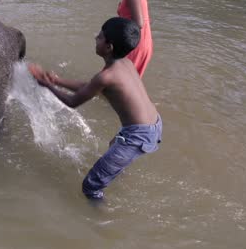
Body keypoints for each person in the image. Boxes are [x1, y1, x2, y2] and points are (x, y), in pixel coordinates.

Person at [29, 17, 162, 200]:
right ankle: (116, 170)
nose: (95, 38)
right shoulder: (126, 64)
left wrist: (47, 85)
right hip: (153, 122)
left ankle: (100, 221)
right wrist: (57, 81)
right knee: (113, 146)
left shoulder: (106, 76)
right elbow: (90, 86)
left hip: (137, 136)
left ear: (109, 47)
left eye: (100, 37)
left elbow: (73, 102)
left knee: (90, 186)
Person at [115, 0, 160, 77]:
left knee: (116, 81)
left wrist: (113, 32)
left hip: (134, 44)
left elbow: (138, 23)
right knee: (127, 82)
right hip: (143, 43)